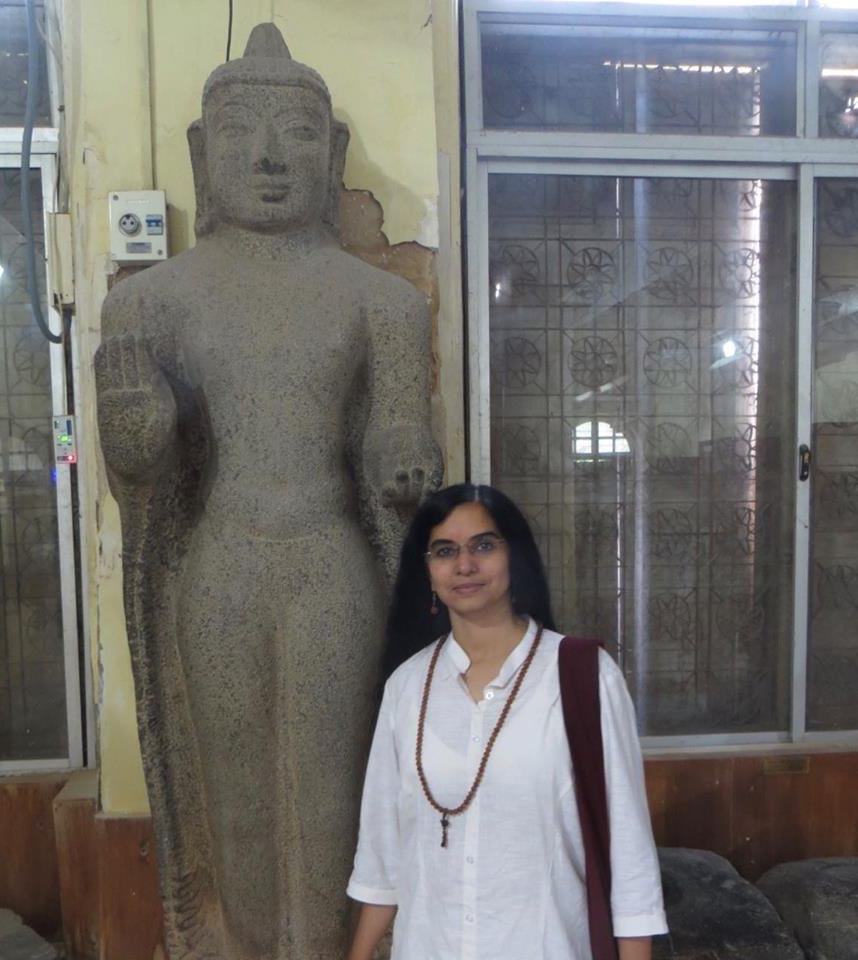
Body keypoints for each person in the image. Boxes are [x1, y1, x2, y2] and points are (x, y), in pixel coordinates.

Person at [94, 23, 441, 960]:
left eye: (295, 132)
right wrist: (137, 437)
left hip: (329, 562)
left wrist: (404, 457)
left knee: (333, 797)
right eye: (241, 130)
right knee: (235, 802)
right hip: (220, 562)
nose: (269, 156)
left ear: (331, 155)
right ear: (203, 154)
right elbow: (142, 470)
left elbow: (400, 436)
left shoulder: (382, 304)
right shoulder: (151, 303)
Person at [346, 483, 668, 960]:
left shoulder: (583, 678)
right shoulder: (406, 689)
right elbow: (380, 859)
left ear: (515, 556)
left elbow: (630, 862)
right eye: (444, 551)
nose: (464, 565)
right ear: (428, 572)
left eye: (484, 545)